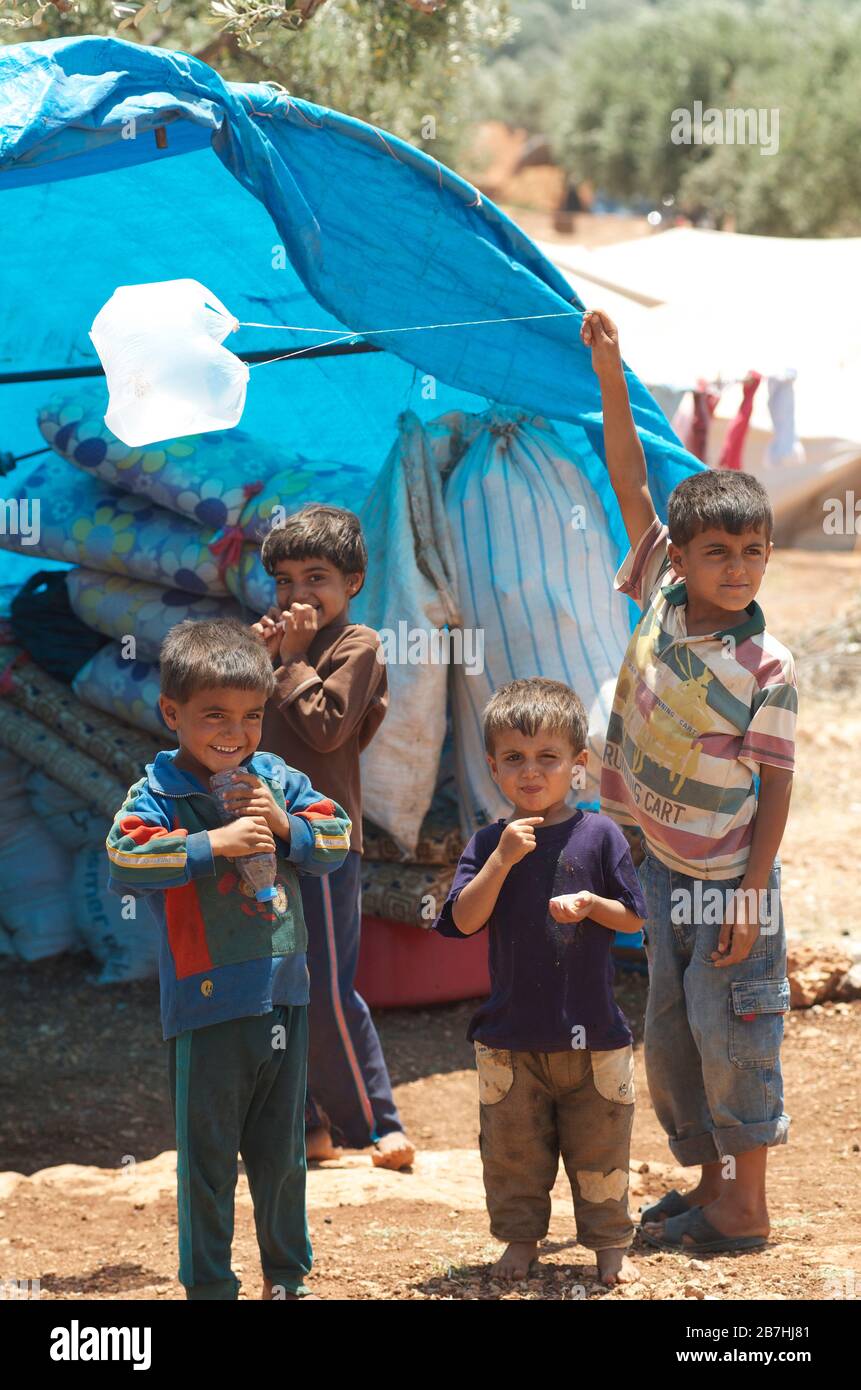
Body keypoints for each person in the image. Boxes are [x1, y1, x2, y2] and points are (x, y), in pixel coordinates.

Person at [583, 307, 796, 1255]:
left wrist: (750, 896)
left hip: (726, 886)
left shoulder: (767, 667)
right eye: (718, 552)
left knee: (736, 1033)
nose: (738, 568)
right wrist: (610, 368)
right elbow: (627, 473)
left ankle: (744, 1208)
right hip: (666, 868)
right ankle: (709, 1187)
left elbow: (777, 787)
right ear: (678, 555)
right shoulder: (661, 598)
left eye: (752, 552)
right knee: (674, 1039)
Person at [106, 618, 351, 1300]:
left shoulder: (276, 778)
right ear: (171, 713)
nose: (234, 733)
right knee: (208, 1159)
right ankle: (210, 1285)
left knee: (283, 1154)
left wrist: (281, 826)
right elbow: (125, 855)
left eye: (250, 716)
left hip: (285, 991)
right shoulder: (158, 791)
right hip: (208, 1001)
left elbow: (336, 839)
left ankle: (286, 1278)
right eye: (214, 715)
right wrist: (210, 844)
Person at [433, 677, 647, 1286]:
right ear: (494, 767)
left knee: (601, 1149)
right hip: (511, 1036)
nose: (532, 772)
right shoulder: (487, 843)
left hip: (596, 1037)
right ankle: (520, 1243)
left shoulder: (600, 834)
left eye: (549, 758)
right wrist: (502, 859)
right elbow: (464, 921)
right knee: (513, 1153)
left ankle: (610, 1250)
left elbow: (634, 918)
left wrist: (590, 904)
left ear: (578, 765)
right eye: (515, 759)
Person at [251, 503, 415, 1171]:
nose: (297, 595)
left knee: (323, 987)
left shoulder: (357, 644)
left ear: (353, 581)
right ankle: (307, 1124)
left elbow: (326, 730)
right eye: (284, 581)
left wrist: (288, 662)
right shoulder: (262, 647)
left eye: (314, 578)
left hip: (320, 840)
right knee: (270, 985)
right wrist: (252, 664)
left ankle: (376, 1124)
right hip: (256, 835)